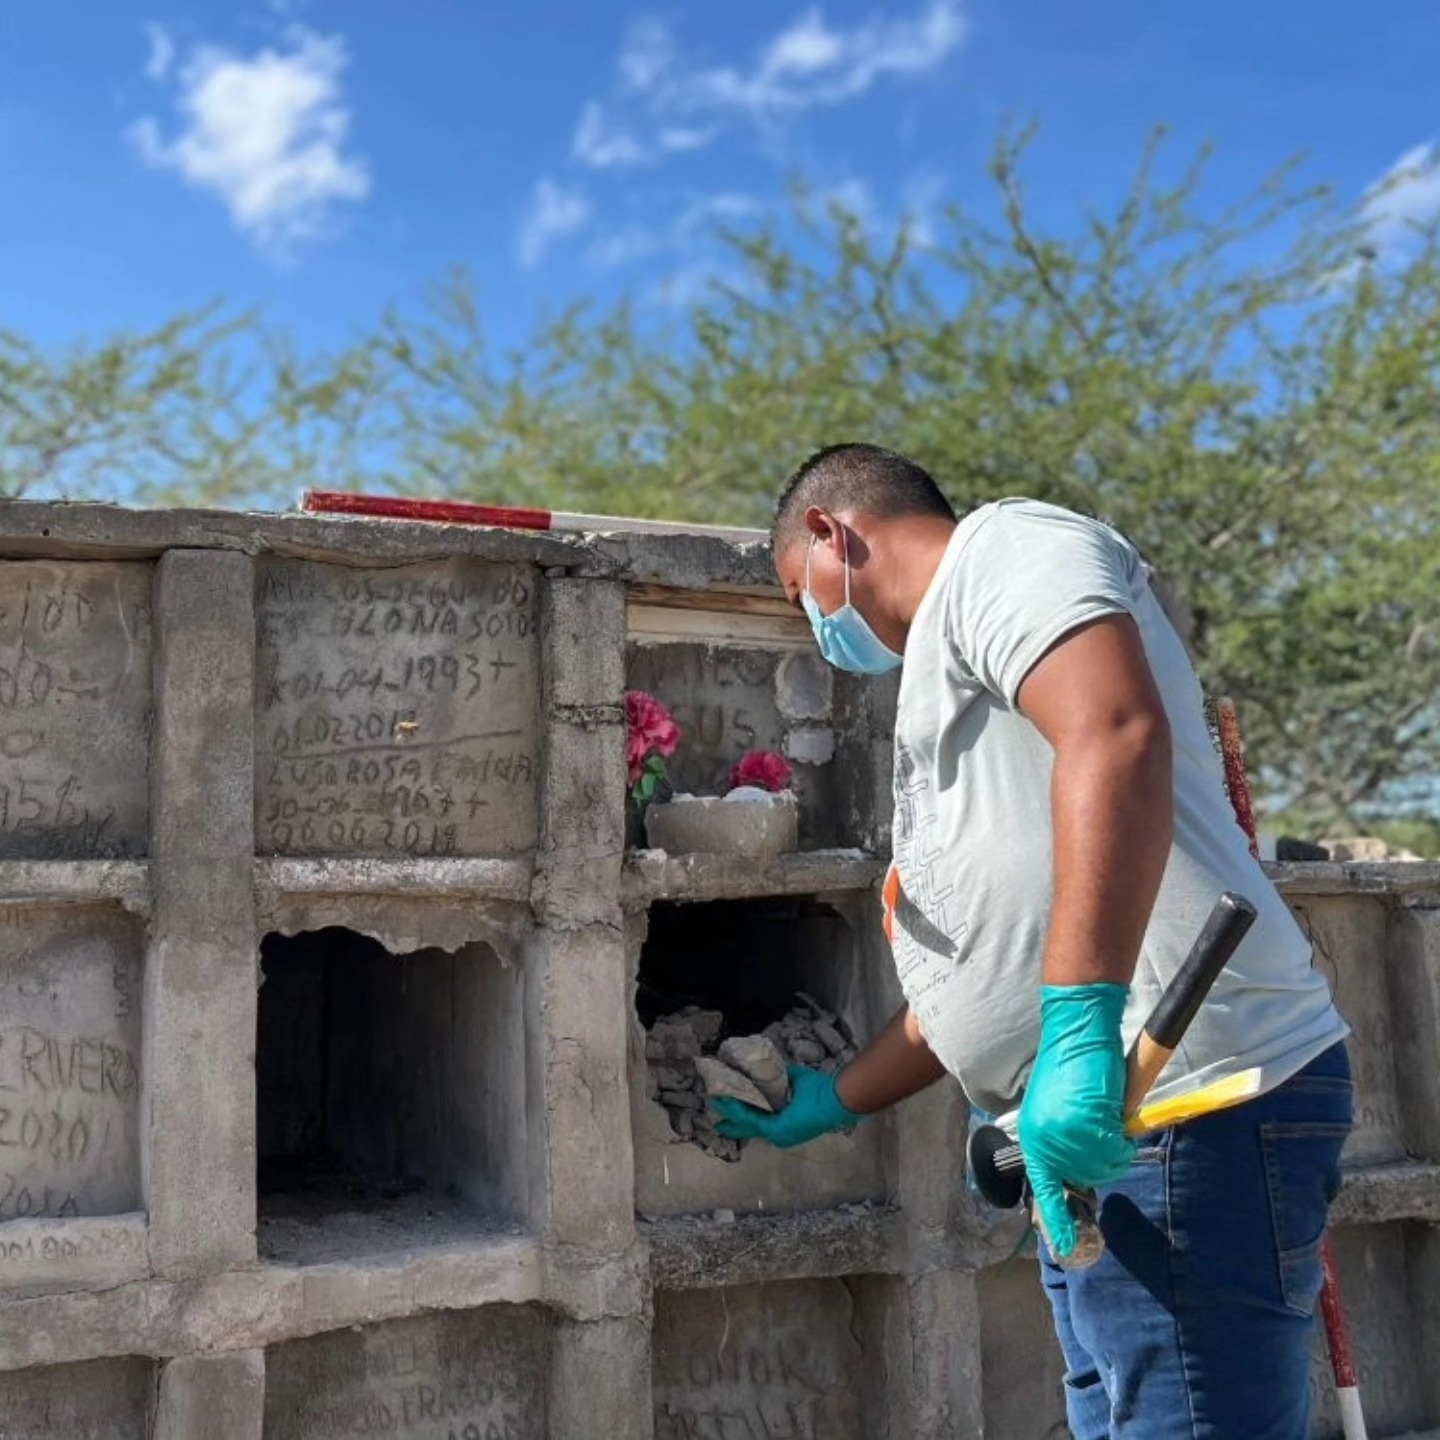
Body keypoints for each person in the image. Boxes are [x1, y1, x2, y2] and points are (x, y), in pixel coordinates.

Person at [711, 443, 1352, 1440]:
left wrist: (1080, 1032)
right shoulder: (948, 692)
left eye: (806, 596)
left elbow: (1115, 732)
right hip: (1096, 1142)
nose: (820, 628)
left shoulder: (1007, 551)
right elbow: (984, 979)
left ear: (835, 537)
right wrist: (833, 1101)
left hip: (1187, 1100)